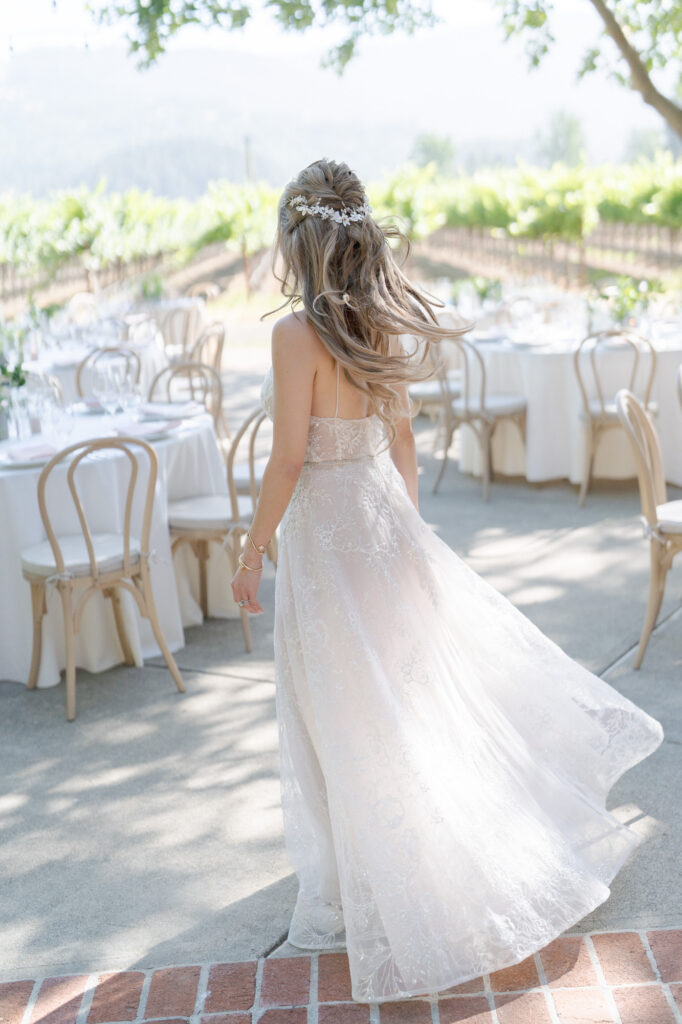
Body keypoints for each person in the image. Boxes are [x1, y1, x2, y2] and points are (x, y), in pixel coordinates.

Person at [231, 158, 663, 1004]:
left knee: (344, 709)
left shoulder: (294, 336)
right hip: (384, 529)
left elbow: (287, 460)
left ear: (296, 240)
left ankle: (386, 876)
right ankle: (407, 851)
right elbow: (402, 443)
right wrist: (410, 533)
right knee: (404, 700)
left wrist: (250, 554)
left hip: (328, 540)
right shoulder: (381, 325)